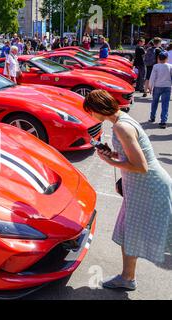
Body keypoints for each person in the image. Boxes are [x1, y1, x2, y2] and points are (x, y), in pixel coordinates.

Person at [83, 90, 172, 291]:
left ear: (97, 109)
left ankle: (127, 278)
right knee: (129, 232)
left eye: (90, 111)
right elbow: (129, 154)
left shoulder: (121, 127)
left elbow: (141, 166)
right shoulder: (122, 120)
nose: (90, 116)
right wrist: (113, 153)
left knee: (135, 232)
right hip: (141, 186)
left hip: (147, 186)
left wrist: (110, 160)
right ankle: (127, 277)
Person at [148, 51, 172, 129]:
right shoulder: (170, 66)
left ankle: (152, 117)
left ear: (158, 58)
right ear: (167, 59)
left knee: (154, 102)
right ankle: (163, 121)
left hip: (157, 86)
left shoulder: (156, 66)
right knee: (165, 104)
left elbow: (152, 77)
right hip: (167, 86)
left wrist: (150, 86)